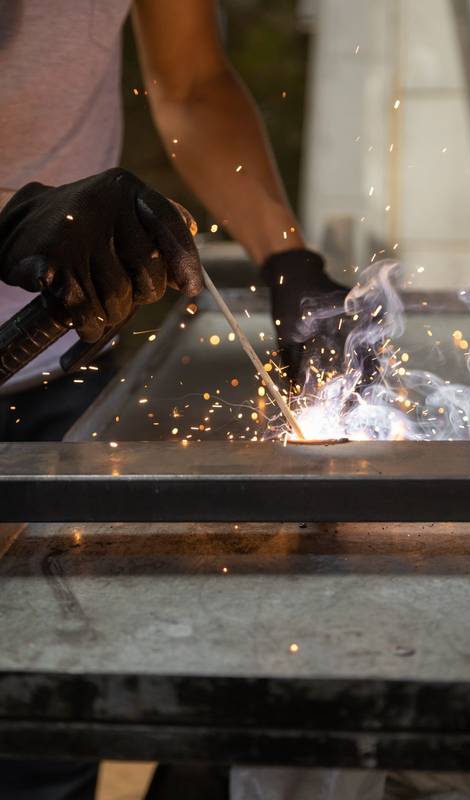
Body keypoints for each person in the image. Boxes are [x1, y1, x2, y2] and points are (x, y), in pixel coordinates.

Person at [0, 1, 363, 798]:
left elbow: (193, 79)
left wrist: (286, 256)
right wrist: (9, 217)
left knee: (48, 720)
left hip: (61, 368)